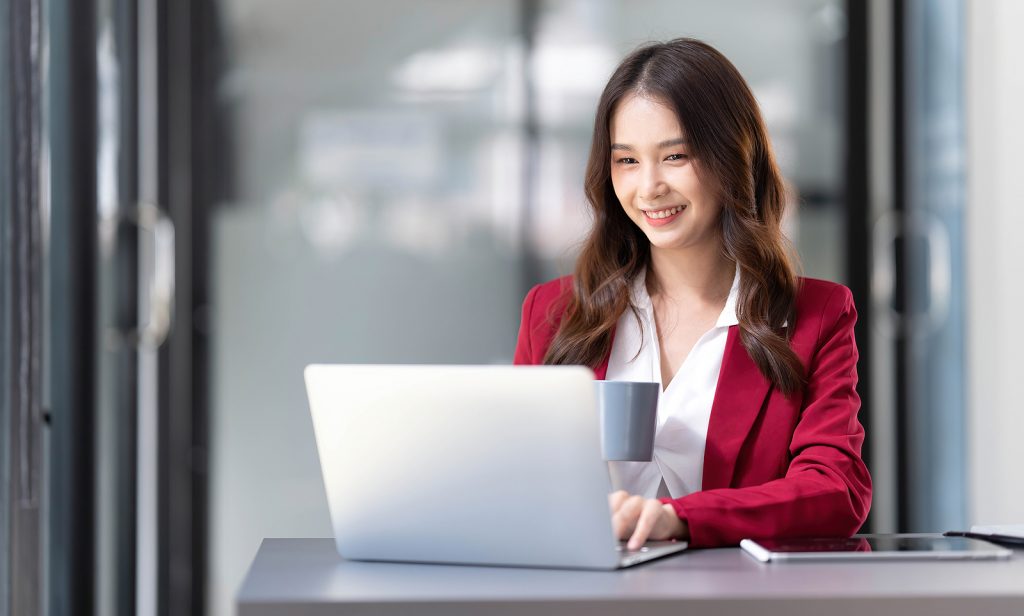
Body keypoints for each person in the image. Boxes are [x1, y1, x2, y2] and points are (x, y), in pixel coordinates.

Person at [513, 38, 871, 550]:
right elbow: (515, 478)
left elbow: (836, 491)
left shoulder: (816, 315)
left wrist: (678, 518)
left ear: (731, 157)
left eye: (675, 156)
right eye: (627, 161)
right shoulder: (552, 312)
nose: (649, 186)